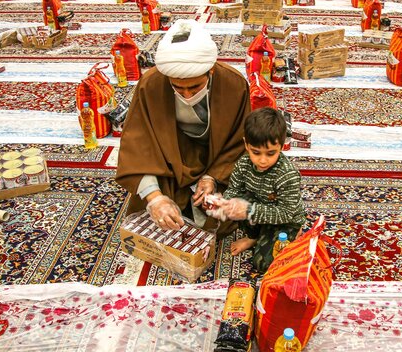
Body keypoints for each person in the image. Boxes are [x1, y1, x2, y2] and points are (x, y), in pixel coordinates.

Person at [115, 19, 251, 235]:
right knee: (155, 214)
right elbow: (139, 141)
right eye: (178, 88)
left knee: (224, 213)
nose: (187, 95)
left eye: (195, 87)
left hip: (216, 157)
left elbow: (239, 141)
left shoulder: (233, 84)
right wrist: (155, 197)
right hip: (169, 156)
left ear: (211, 72)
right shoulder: (152, 84)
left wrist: (212, 177)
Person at [206, 107, 306, 272]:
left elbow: (287, 213)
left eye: (270, 153)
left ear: (282, 146)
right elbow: (234, 190)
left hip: (285, 220)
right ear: (246, 144)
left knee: (262, 263)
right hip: (258, 210)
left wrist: (249, 211)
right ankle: (254, 237)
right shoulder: (244, 163)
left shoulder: (287, 174)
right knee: (236, 203)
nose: (262, 160)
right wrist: (223, 203)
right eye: (256, 152)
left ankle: (293, 233)